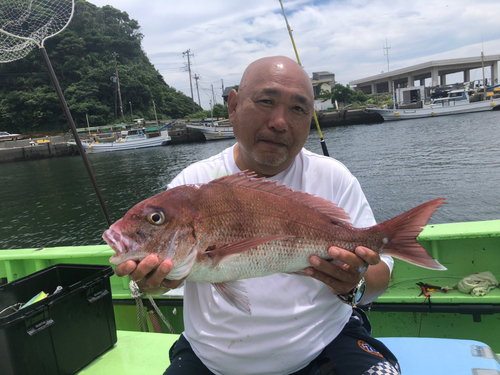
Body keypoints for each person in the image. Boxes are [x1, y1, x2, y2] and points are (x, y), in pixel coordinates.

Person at [115, 56, 400, 375]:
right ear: (233, 106)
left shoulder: (333, 177)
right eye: (266, 101)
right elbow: (166, 278)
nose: (280, 122)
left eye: (298, 109)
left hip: (325, 343)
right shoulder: (192, 183)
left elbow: (379, 279)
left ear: (310, 119)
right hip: (211, 358)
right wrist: (154, 285)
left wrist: (355, 282)